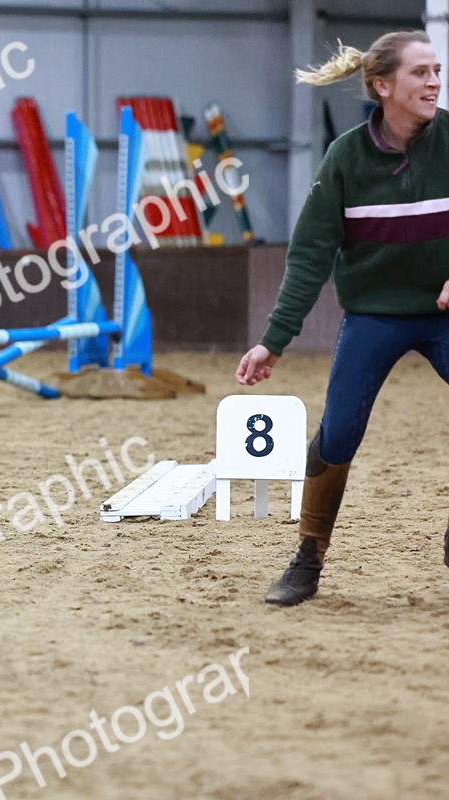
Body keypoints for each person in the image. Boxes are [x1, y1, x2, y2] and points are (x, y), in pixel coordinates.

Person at [237, 31, 449, 606]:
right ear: (383, 86)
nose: (434, 82)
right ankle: (306, 561)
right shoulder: (344, 159)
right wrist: (273, 342)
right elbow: (310, 255)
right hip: (374, 315)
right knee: (338, 434)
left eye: (436, 71)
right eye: (421, 73)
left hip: (445, 313)